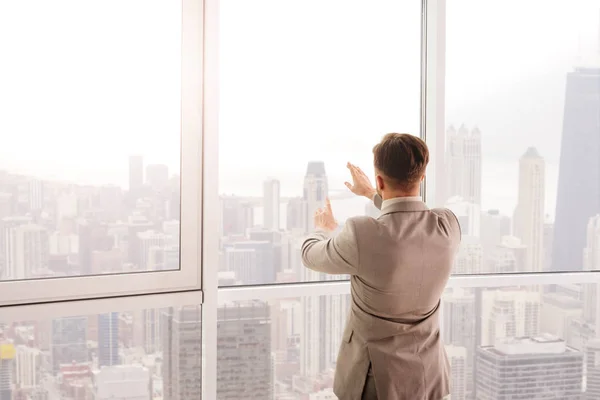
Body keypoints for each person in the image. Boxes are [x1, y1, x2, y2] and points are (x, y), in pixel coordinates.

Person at [301, 133, 460, 400]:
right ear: (422, 178)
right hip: (428, 376)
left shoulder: (362, 234)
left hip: (375, 382)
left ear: (379, 180)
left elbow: (310, 255)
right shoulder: (448, 226)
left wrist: (322, 230)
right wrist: (372, 193)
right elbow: (411, 221)